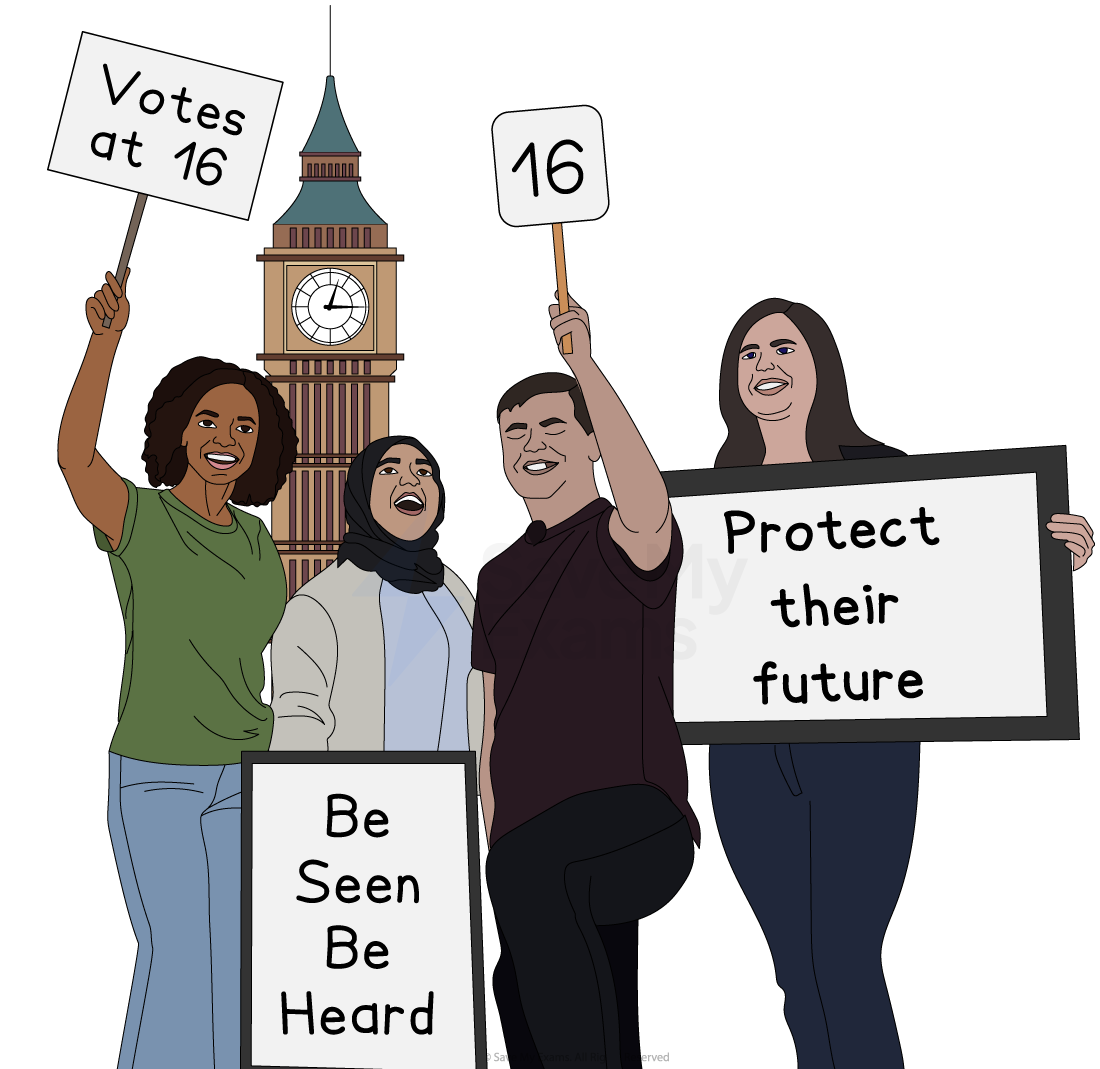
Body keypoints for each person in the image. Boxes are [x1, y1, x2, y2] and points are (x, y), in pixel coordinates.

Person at [709, 298, 1092, 1069]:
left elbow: (954, 571)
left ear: (821, 366)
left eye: (784, 348)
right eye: (748, 355)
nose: (765, 367)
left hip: (863, 749)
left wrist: (1051, 551)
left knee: (845, 957)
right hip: (747, 757)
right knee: (794, 970)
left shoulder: (883, 476)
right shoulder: (712, 493)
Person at [59, 271, 296, 1069]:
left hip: (246, 772)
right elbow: (72, 457)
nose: (227, 434)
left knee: (236, 959)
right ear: (182, 429)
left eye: (245, 425)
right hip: (158, 769)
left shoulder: (261, 541)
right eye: (209, 419)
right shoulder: (140, 519)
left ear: (263, 448)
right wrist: (104, 343)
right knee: (177, 952)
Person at [474, 295, 700, 1069]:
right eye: (515, 433)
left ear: (592, 441)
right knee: (527, 992)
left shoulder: (621, 536)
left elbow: (650, 500)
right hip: (529, 840)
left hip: (637, 818)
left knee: (536, 882)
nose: (532, 444)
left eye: (552, 427)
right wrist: (493, 826)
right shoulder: (497, 577)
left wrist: (584, 362)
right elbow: (491, 719)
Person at [268, 437, 483, 770]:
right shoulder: (319, 604)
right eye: (389, 469)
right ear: (361, 494)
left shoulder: (454, 591)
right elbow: (299, 720)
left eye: (424, 471)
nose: (410, 480)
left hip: (451, 803)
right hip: (363, 811)